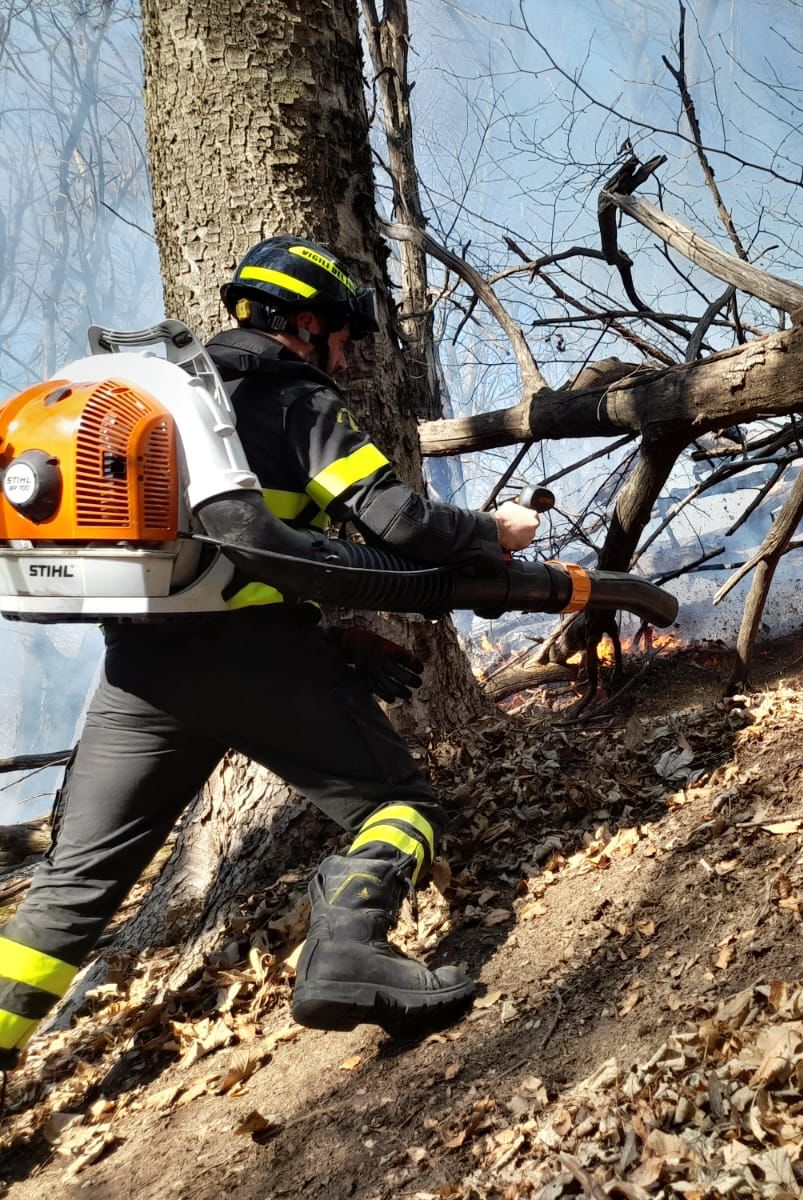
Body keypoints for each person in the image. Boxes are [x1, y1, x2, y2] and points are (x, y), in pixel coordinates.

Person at [0, 236, 541, 1071]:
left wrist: (331, 634)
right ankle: (348, 953)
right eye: (345, 337)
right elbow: (396, 522)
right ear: (308, 324)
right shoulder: (294, 398)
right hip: (253, 656)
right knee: (399, 808)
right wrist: (490, 533)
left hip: (141, 669)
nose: (350, 356)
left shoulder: (172, 398)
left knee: (71, 892)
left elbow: (218, 561)